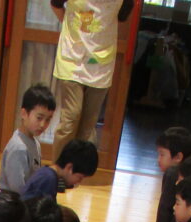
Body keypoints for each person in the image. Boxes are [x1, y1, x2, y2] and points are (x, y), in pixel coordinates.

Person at [49, 0, 134, 161]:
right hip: (72, 59)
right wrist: (71, 27)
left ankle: (75, 168)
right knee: (71, 117)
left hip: (101, 63)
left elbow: (122, 16)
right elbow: (56, 4)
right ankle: (58, 168)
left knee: (87, 125)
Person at [137, 128, 191, 222]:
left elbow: (165, 206)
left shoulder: (173, 173)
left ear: (178, 157)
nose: (158, 159)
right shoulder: (189, 171)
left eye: (162, 154)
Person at [0, 83, 56, 194]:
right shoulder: (19, 148)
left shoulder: (35, 143)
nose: (43, 124)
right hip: (14, 202)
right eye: (39, 118)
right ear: (24, 114)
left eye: (48, 120)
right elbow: (18, 190)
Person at [20, 139, 98, 200]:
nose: (79, 182)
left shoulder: (48, 174)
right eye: (80, 177)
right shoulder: (49, 178)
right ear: (69, 167)